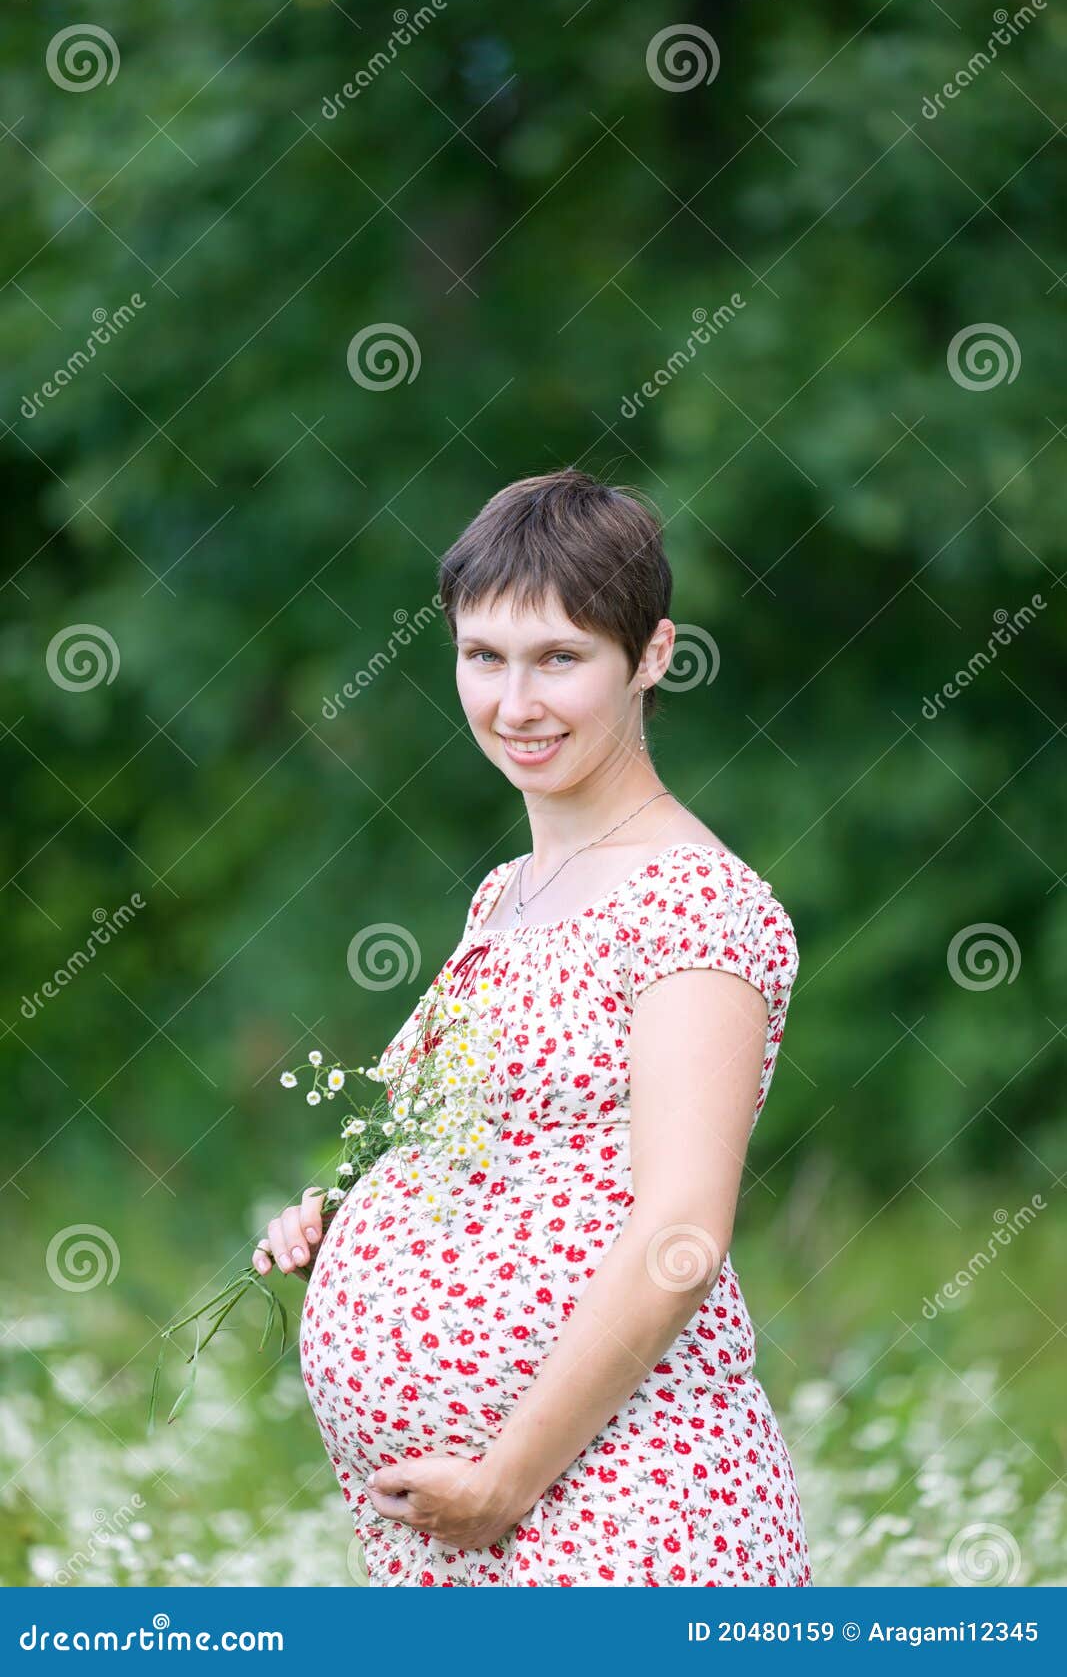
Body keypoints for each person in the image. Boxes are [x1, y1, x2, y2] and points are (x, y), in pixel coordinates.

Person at [255, 468, 811, 1586]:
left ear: (650, 655)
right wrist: (349, 1215)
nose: (515, 702)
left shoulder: (693, 903)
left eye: (559, 657)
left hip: (625, 1516)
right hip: (469, 1543)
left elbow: (681, 1229)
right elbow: (521, 1153)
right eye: (483, 656)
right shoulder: (505, 891)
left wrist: (508, 1471)